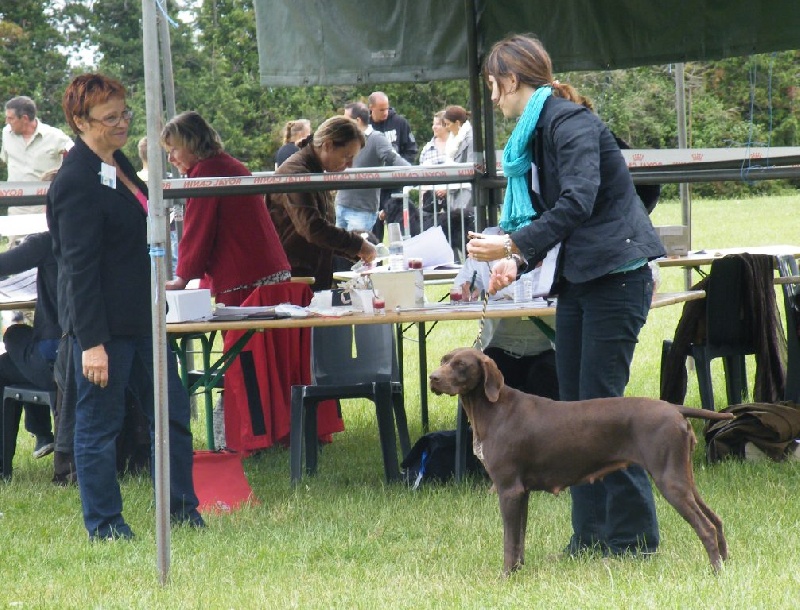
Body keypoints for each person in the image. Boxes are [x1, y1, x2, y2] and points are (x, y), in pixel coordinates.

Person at [468, 34, 666, 559]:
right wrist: (518, 260)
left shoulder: (568, 122)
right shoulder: (540, 131)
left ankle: (631, 538)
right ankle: (591, 536)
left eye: (493, 87)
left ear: (511, 80)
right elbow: (561, 215)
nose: (493, 100)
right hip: (582, 279)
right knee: (574, 413)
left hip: (616, 276)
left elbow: (578, 200)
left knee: (602, 411)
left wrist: (512, 242)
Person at [46, 73, 203, 540]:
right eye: (109, 117)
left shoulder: (118, 166)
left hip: (144, 320)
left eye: (124, 113)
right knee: (99, 429)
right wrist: (92, 344)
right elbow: (78, 270)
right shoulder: (75, 181)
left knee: (172, 418)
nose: (121, 123)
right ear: (79, 121)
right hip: (104, 330)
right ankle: (106, 524)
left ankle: (182, 510)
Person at [161, 110, 291, 306]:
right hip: (264, 270)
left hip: (245, 277)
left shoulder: (207, 172)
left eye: (173, 150)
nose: (170, 159)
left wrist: (183, 278)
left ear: (191, 144)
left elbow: (198, 229)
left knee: (240, 337)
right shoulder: (225, 165)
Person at [267, 115, 377, 291]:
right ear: (327, 145)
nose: (349, 164)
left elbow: (319, 230)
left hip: (305, 272)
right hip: (295, 277)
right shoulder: (298, 173)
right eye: (346, 156)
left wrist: (355, 249)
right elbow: (312, 228)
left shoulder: (313, 171)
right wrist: (356, 245)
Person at [452, 238, 559, 400]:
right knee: (487, 374)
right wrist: (466, 288)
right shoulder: (487, 243)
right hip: (499, 347)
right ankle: (480, 424)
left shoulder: (556, 242)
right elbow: (462, 285)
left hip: (548, 347)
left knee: (546, 378)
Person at [0, 232, 59, 459]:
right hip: (105, 348)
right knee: (16, 357)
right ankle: (41, 433)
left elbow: (7, 263)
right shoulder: (108, 237)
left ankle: (40, 433)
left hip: (56, 355)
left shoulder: (48, 242)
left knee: (15, 335)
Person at [335, 102, 410, 233]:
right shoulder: (346, 139)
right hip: (342, 204)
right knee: (337, 250)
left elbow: (394, 158)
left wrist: (414, 174)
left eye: (346, 118)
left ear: (357, 120)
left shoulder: (376, 139)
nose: (342, 121)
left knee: (357, 251)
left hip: (362, 209)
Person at [368, 91, 418, 239]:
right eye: (381, 109)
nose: (385, 112)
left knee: (398, 231)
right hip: (373, 187)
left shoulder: (400, 123)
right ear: (371, 108)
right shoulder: (366, 127)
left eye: (387, 108)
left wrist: (401, 170)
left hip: (395, 185)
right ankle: (374, 261)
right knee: (373, 232)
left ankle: (400, 259)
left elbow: (411, 149)